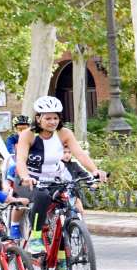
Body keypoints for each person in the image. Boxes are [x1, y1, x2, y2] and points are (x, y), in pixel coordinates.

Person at [16, 96, 108, 256]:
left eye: (55, 118)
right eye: (48, 118)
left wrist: (95, 170)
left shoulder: (64, 133)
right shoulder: (28, 135)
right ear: (38, 118)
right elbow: (21, 160)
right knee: (42, 196)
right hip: (29, 180)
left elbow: (80, 154)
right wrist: (25, 177)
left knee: (67, 206)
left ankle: (62, 257)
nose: (52, 122)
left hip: (55, 179)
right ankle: (36, 237)